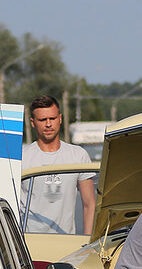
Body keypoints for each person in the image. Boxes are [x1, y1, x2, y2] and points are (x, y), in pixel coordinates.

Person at [20, 95, 95, 235]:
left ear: (60, 118)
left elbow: (89, 204)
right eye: (42, 120)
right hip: (29, 242)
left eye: (52, 119)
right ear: (32, 122)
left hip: (65, 243)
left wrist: (87, 242)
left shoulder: (78, 155)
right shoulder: (21, 157)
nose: (48, 124)